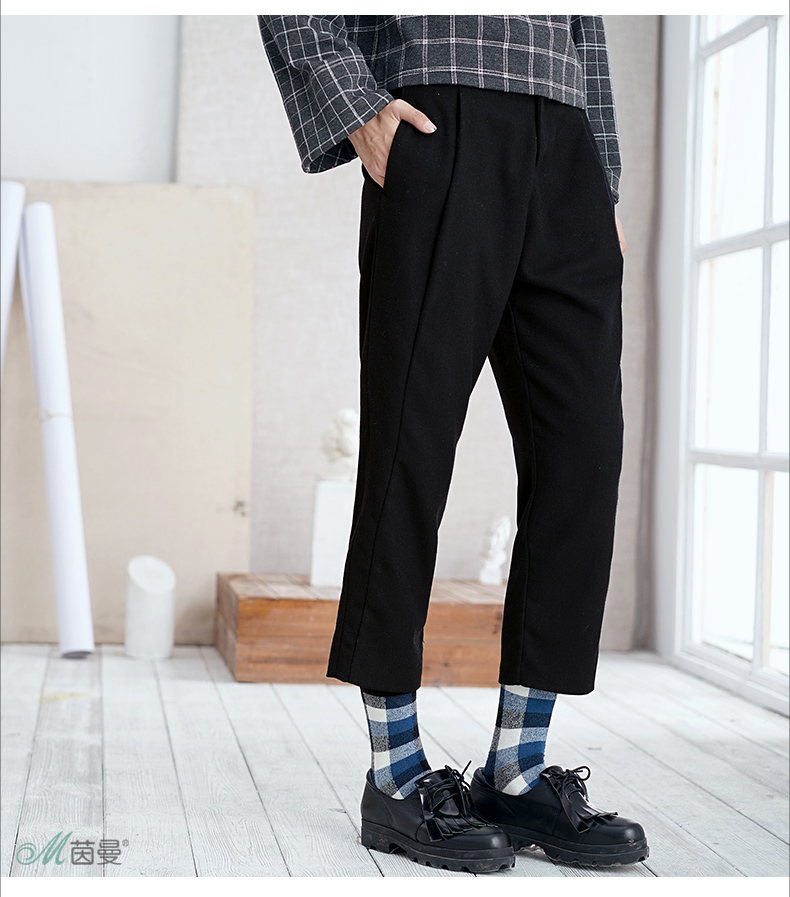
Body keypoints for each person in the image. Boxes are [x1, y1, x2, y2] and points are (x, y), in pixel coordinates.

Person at [257, 14, 648, 873]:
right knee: (411, 450)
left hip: (566, 139)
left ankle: (518, 770)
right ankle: (395, 772)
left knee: (584, 457)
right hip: (442, 115)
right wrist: (358, 109)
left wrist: (602, 176)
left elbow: (585, 26)